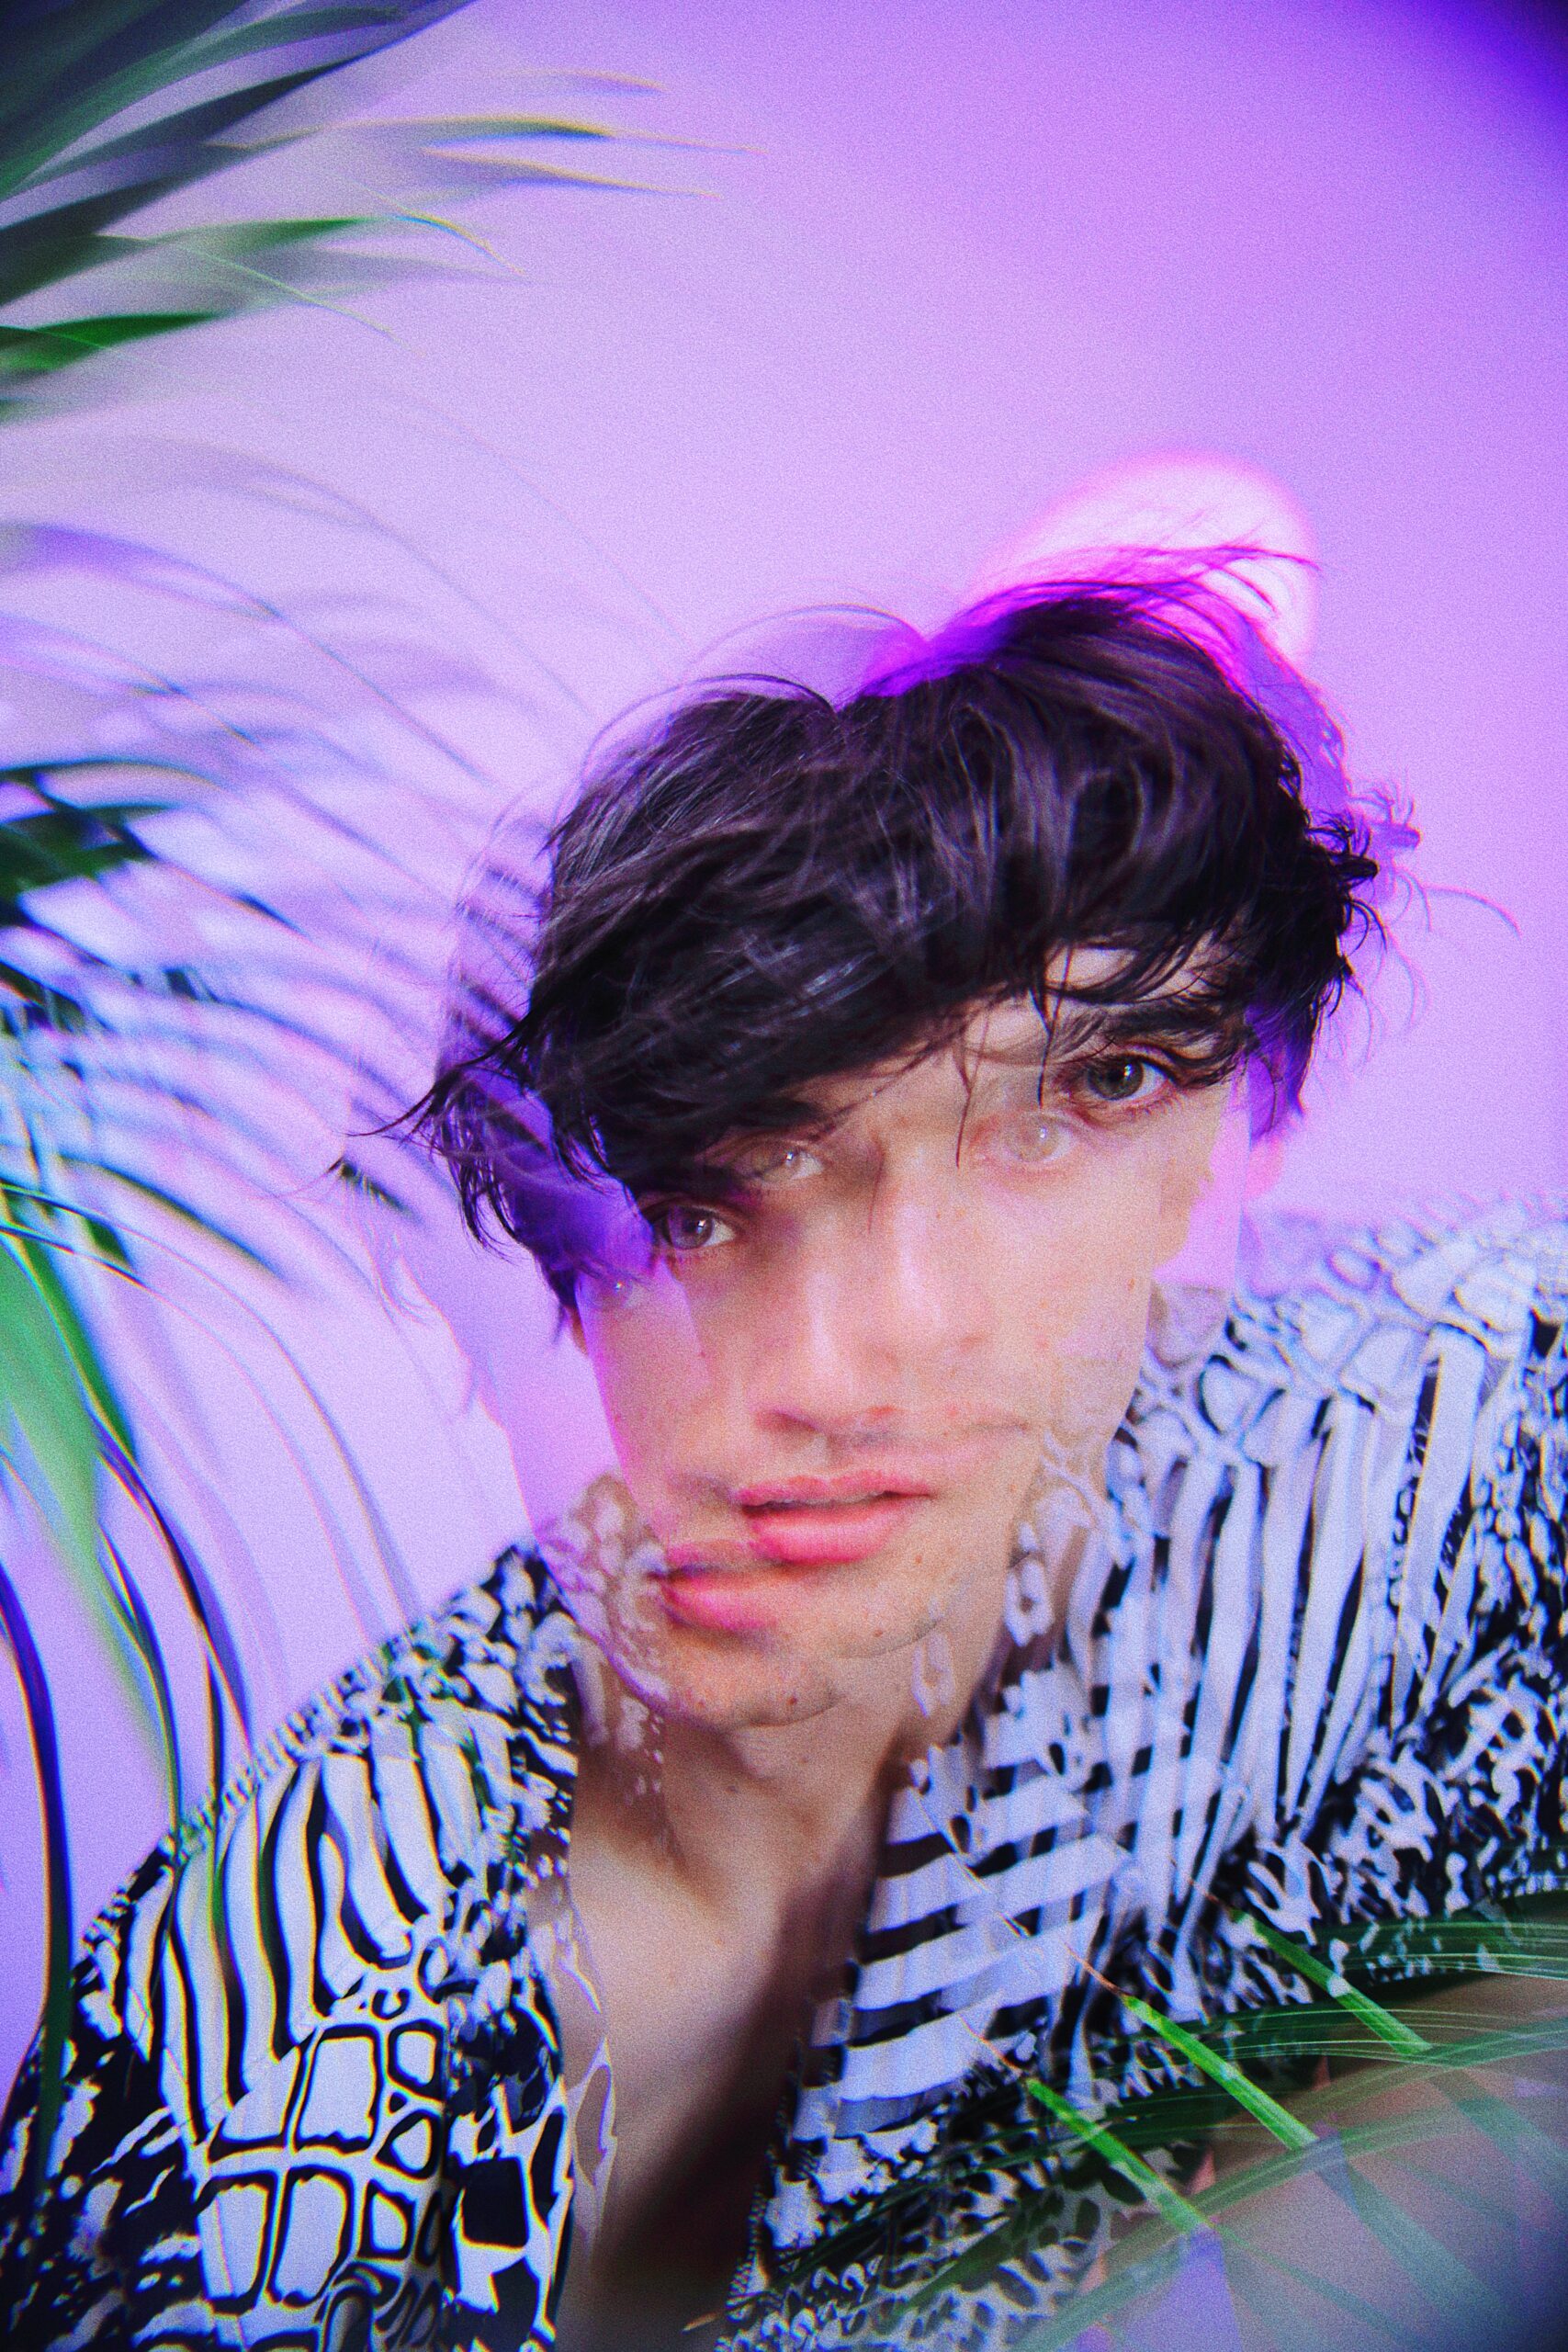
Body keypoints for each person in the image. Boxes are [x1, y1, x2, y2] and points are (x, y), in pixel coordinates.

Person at [1, 569, 1563, 2352]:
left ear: (1237, 1126)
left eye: (1050, 1113)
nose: (830, 1363)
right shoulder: (285, 2030)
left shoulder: (1413, 1453)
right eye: (707, 1207)